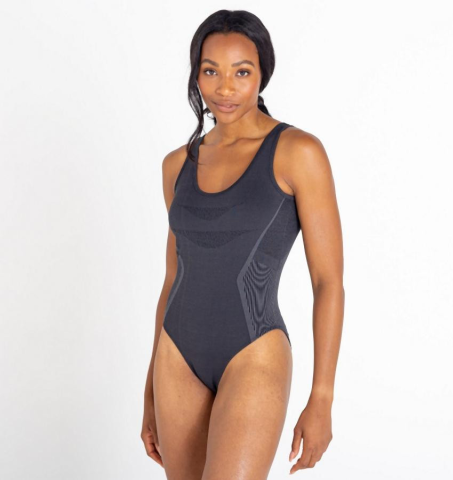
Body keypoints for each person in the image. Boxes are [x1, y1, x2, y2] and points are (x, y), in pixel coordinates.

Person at [141, 9, 344, 479]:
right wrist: (149, 389)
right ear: (196, 75)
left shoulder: (299, 152)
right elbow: (173, 277)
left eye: (242, 72)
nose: (225, 88)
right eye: (211, 71)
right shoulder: (177, 165)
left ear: (262, 75)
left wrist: (322, 397)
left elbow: (328, 281)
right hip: (176, 355)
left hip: (254, 352)